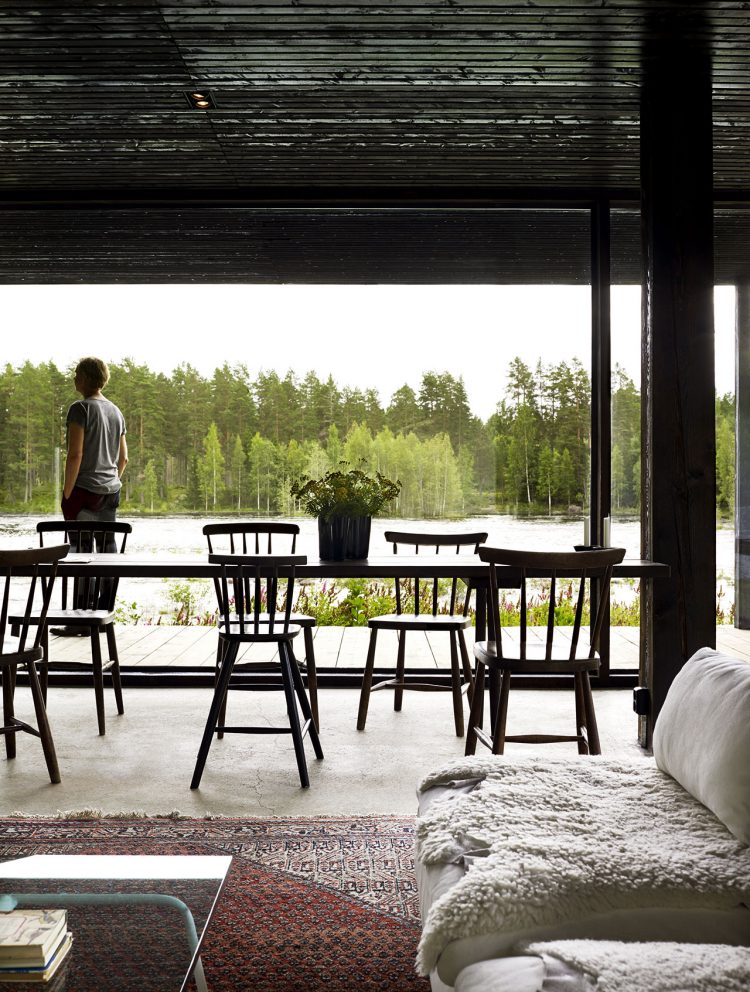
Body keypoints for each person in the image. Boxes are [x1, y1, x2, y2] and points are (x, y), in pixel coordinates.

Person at [53, 357, 128, 636]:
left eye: (76, 374)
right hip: (110, 492)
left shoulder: (80, 409)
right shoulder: (115, 411)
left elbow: (75, 455)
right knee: (107, 553)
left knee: (81, 555)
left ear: (85, 378)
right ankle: (103, 616)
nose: (74, 379)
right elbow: (124, 457)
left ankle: (80, 621)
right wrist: (112, 481)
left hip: (83, 492)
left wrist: (67, 493)